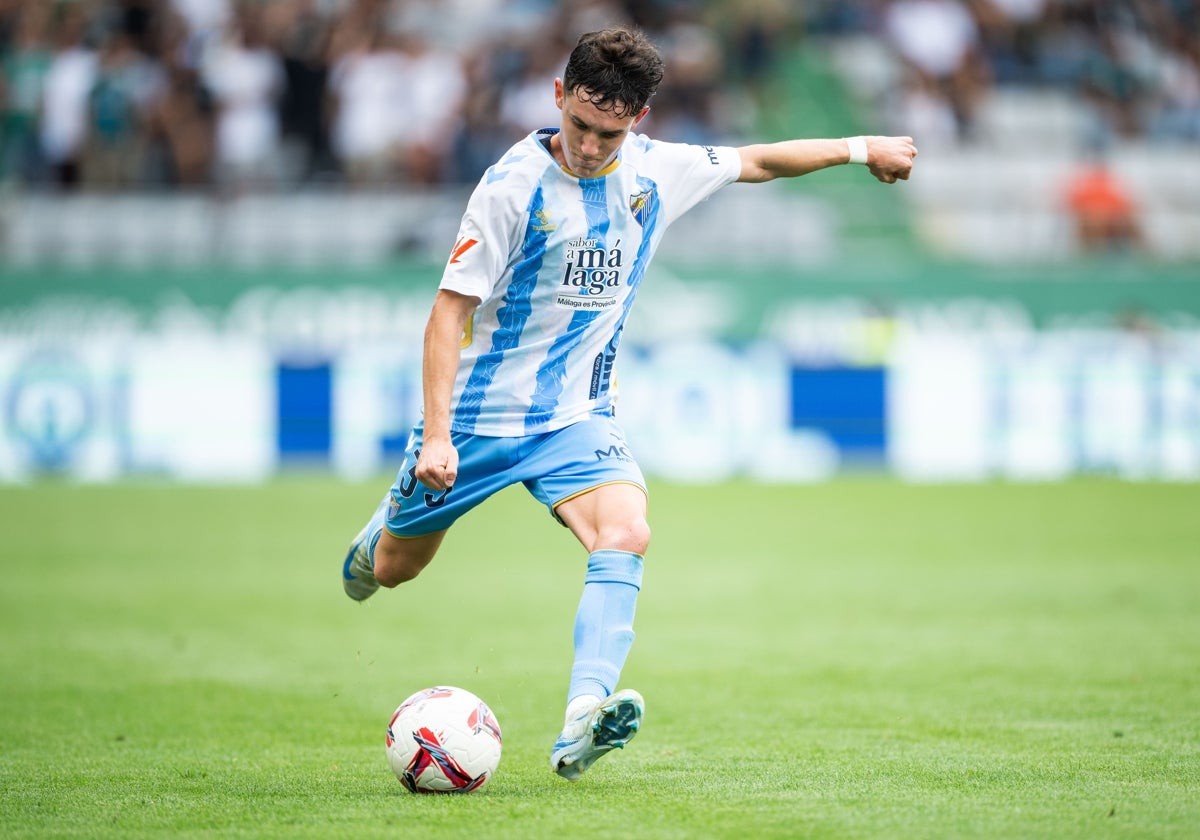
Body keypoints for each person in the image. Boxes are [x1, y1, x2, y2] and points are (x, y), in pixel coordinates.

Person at [341, 25, 917, 782]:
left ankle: (584, 717)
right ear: (558, 98)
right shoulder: (510, 188)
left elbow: (759, 160)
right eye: (579, 125)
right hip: (479, 421)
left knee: (628, 529)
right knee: (392, 569)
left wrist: (860, 145)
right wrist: (439, 436)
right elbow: (449, 313)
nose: (588, 145)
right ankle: (378, 531)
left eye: (607, 132)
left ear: (638, 119)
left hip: (577, 418)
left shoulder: (657, 173)